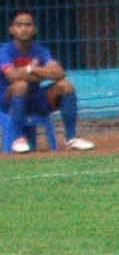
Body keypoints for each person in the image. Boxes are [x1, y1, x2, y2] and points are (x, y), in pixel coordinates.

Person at [3, 11, 90, 152]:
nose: (24, 29)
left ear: (34, 29)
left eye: (28, 25)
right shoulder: (5, 51)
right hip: (9, 102)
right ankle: (18, 138)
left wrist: (32, 70)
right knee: (20, 85)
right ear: (11, 29)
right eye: (19, 25)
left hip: (36, 99)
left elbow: (59, 73)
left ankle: (71, 138)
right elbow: (12, 76)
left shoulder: (41, 51)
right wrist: (42, 73)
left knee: (66, 85)